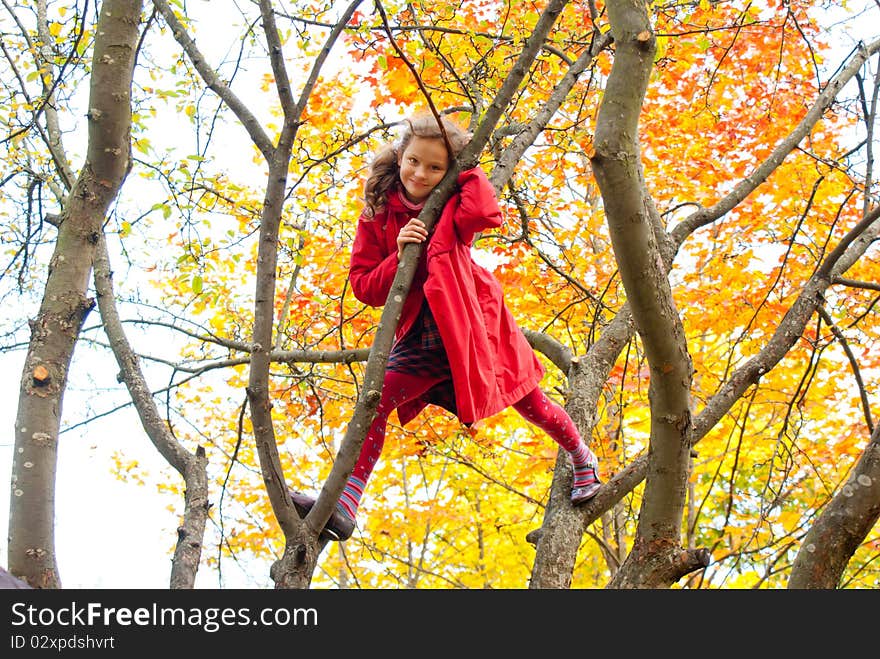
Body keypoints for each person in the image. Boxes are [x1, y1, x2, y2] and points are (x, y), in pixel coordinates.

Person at [290, 111, 601, 541]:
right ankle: (343, 504)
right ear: (399, 155)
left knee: (529, 401)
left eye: (436, 167)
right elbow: (364, 286)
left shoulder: (453, 200)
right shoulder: (378, 212)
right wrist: (398, 255)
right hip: (422, 333)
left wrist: (467, 172)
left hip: (473, 325)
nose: (421, 173)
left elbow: (485, 213)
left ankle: (582, 458)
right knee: (374, 402)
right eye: (414, 161)